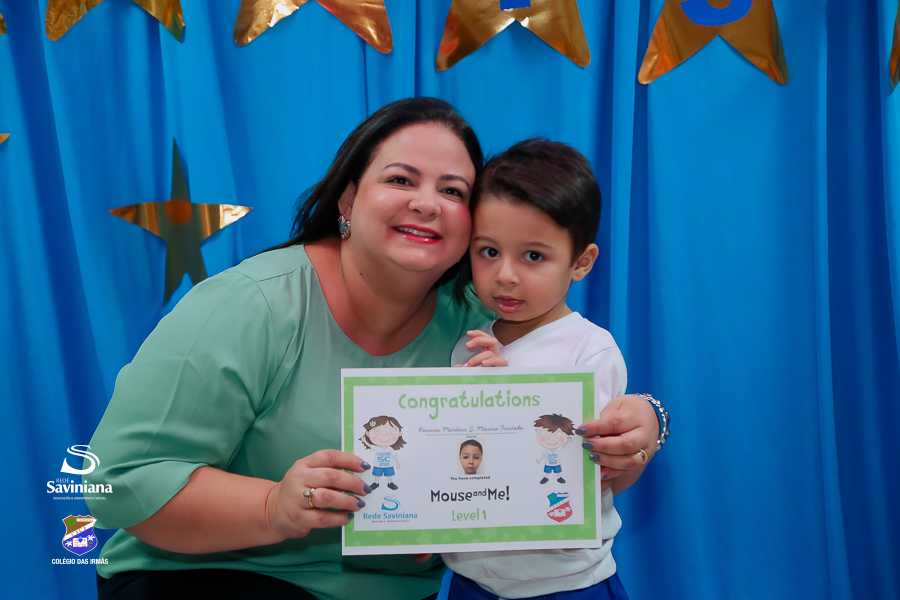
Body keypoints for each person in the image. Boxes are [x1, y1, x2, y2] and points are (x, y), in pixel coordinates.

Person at [83, 99, 664, 600]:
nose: (427, 203)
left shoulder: (485, 321)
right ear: (347, 199)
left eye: (452, 191)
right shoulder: (252, 305)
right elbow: (117, 479)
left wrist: (644, 426)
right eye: (401, 180)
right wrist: (272, 506)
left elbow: (563, 435)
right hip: (211, 576)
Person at [442, 139, 665, 600]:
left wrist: (508, 392)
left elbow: (595, 469)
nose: (505, 275)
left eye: (533, 256)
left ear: (581, 262)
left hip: (567, 584)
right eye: (488, 251)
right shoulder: (468, 346)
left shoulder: (590, 350)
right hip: (475, 581)